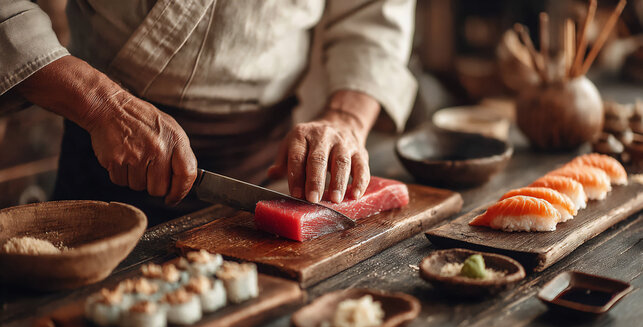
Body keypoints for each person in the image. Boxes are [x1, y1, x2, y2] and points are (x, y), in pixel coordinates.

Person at [0, 0, 417, 224]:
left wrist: (346, 117)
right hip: (105, 159)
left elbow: (374, 13)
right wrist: (100, 104)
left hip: (266, 175)